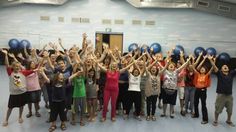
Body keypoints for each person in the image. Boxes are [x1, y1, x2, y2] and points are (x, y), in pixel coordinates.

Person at [1, 49, 35, 127]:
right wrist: (6, 55)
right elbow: (6, 64)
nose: (17, 67)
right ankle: (6, 119)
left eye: (18, 66)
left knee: (21, 106)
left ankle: (20, 117)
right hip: (13, 94)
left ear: (20, 67)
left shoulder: (23, 72)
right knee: (10, 107)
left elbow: (33, 70)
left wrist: (38, 68)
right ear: (13, 67)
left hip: (22, 93)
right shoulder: (10, 73)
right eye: (15, 66)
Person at [209, 56, 236, 127]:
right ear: (221, 69)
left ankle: (229, 120)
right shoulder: (219, 74)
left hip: (229, 96)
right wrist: (210, 60)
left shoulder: (231, 74)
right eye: (223, 66)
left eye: (226, 66)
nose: (225, 66)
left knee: (230, 110)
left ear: (228, 69)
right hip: (221, 95)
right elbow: (214, 66)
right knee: (218, 109)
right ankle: (215, 120)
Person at [192, 55, 214, 124]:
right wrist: (203, 59)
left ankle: (205, 119)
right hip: (197, 90)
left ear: (205, 70)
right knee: (195, 103)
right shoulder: (198, 74)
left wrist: (211, 60)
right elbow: (193, 67)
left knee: (203, 104)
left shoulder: (207, 75)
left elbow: (212, 68)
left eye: (203, 69)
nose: (202, 69)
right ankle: (196, 114)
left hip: (203, 91)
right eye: (201, 68)